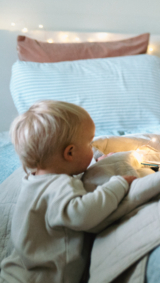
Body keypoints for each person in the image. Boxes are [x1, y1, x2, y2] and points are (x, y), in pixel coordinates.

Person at [0, 100, 136, 283]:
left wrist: (96, 162)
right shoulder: (60, 185)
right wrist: (118, 184)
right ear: (70, 153)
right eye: (89, 143)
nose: (93, 148)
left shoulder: (33, 181)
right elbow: (82, 213)